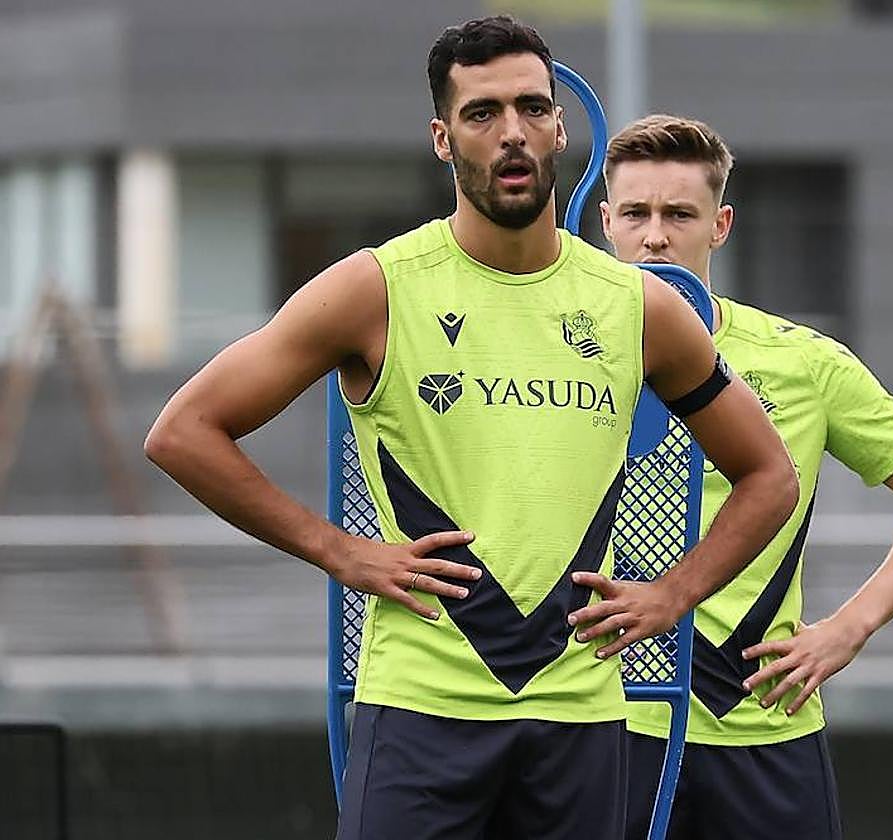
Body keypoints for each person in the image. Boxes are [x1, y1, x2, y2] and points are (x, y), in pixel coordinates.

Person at [144, 19, 798, 840]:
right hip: (420, 711)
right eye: (483, 113)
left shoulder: (641, 307)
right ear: (442, 138)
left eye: (532, 107)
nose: (513, 132)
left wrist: (675, 592)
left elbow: (770, 475)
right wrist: (340, 551)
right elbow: (184, 431)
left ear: (561, 127)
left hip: (581, 721)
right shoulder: (375, 289)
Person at [601, 114, 893, 840]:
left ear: (719, 225)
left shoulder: (802, 361)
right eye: (636, 214)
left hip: (767, 733)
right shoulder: (561, 360)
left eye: (678, 214)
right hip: (607, 727)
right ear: (605, 223)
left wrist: (850, 628)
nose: (655, 235)